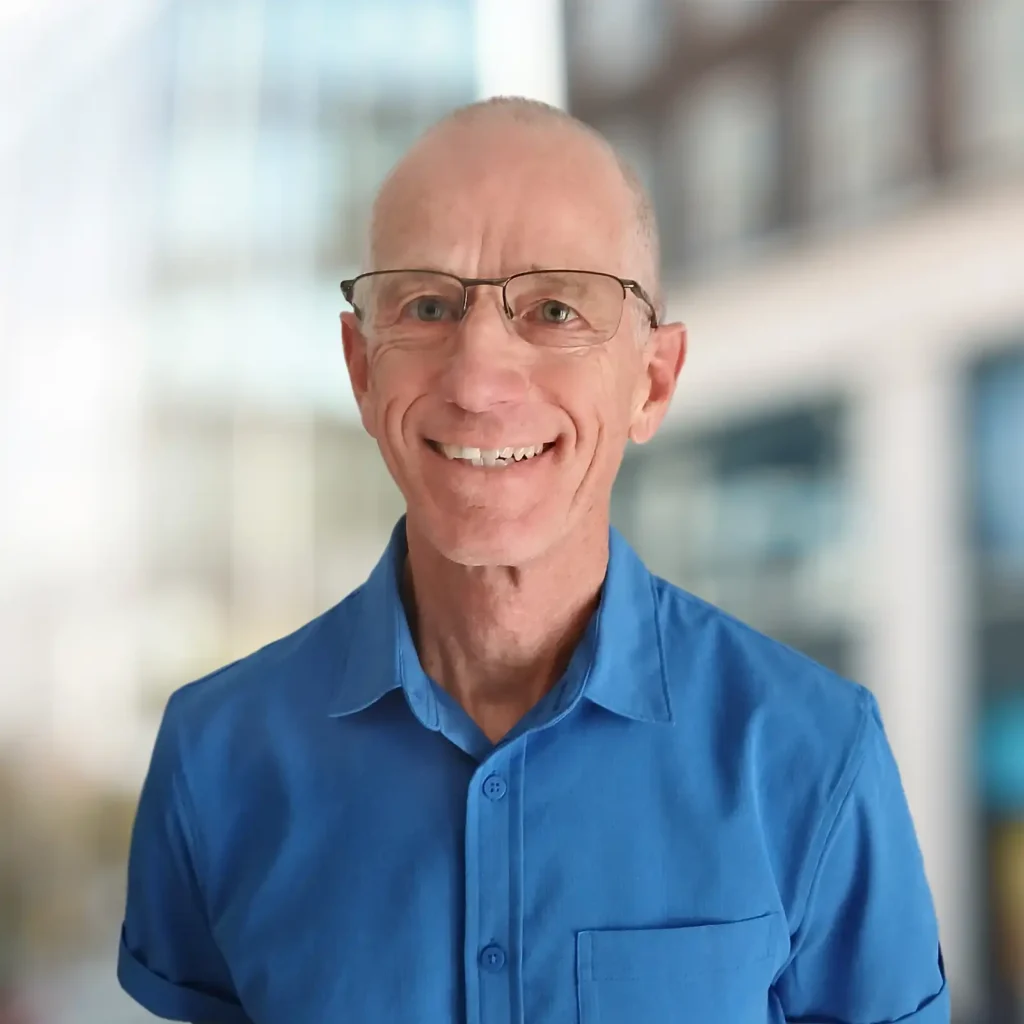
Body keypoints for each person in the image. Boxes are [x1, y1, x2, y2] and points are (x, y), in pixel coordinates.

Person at [118, 97, 949, 1024]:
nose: (476, 380)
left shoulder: (816, 755)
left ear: (653, 381)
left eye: (556, 308)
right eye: (426, 306)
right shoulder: (214, 758)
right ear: (361, 368)